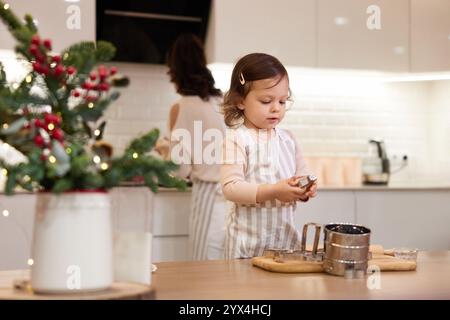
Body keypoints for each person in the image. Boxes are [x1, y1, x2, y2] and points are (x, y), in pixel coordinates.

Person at [220, 53, 318, 259]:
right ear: (240, 101)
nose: (276, 108)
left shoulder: (288, 139)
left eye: (282, 101)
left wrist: (305, 189)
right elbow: (231, 188)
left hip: (285, 244)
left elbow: (302, 174)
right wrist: (274, 191)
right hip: (247, 246)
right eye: (266, 101)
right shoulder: (237, 139)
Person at [157, 33, 226, 260]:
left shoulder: (182, 107)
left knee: (202, 268)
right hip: (235, 197)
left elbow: (180, 169)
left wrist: (164, 150)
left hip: (208, 196)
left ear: (174, 70)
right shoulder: (223, 102)